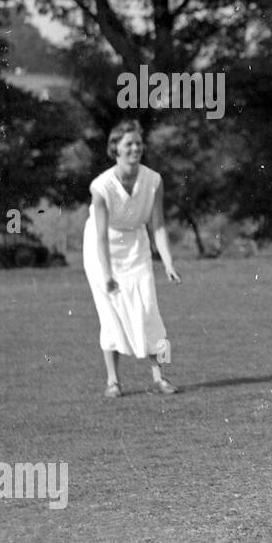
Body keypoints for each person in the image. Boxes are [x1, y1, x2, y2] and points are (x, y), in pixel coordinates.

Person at [81, 119, 181, 397]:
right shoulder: (101, 187)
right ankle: (113, 381)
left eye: (138, 143)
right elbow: (101, 236)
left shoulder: (153, 180)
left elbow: (158, 225)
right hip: (103, 252)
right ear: (115, 148)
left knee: (149, 311)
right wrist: (107, 275)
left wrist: (168, 263)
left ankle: (160, 377)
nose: (135, 148)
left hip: (136, 246)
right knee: (111, 314)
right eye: (129, 144)